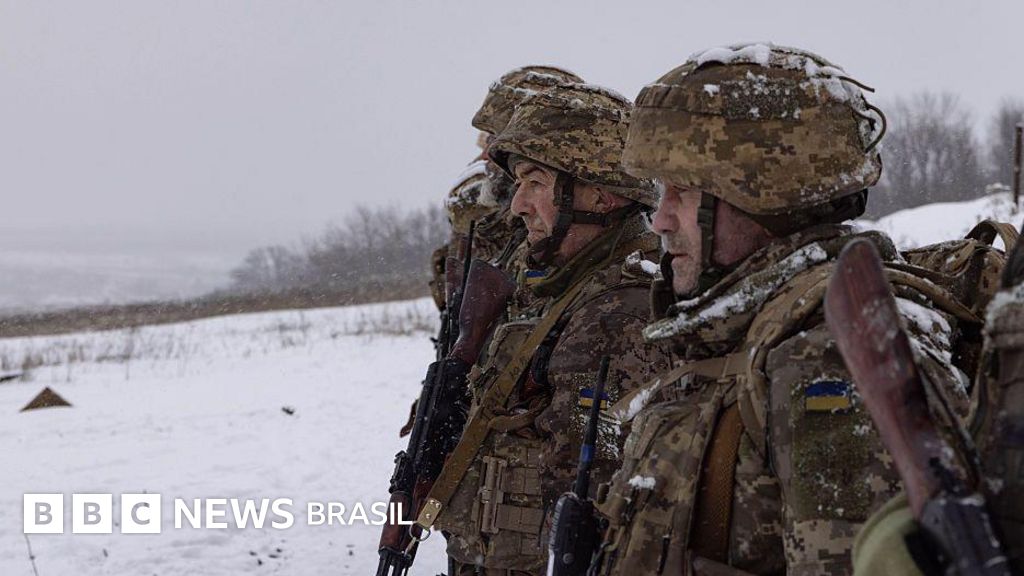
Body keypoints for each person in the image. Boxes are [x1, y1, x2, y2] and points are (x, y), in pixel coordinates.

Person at [591, 43, 973, 576]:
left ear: (757, 194)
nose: (659, 220)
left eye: (680, 192)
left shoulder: (829, 358)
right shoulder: (742, 337)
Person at [423, 81, 671, 576]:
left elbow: (590, 505)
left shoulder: (619, 311)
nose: (517, 206)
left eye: (535, 183)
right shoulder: (547, 281)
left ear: (599, 195)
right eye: (519, 185)